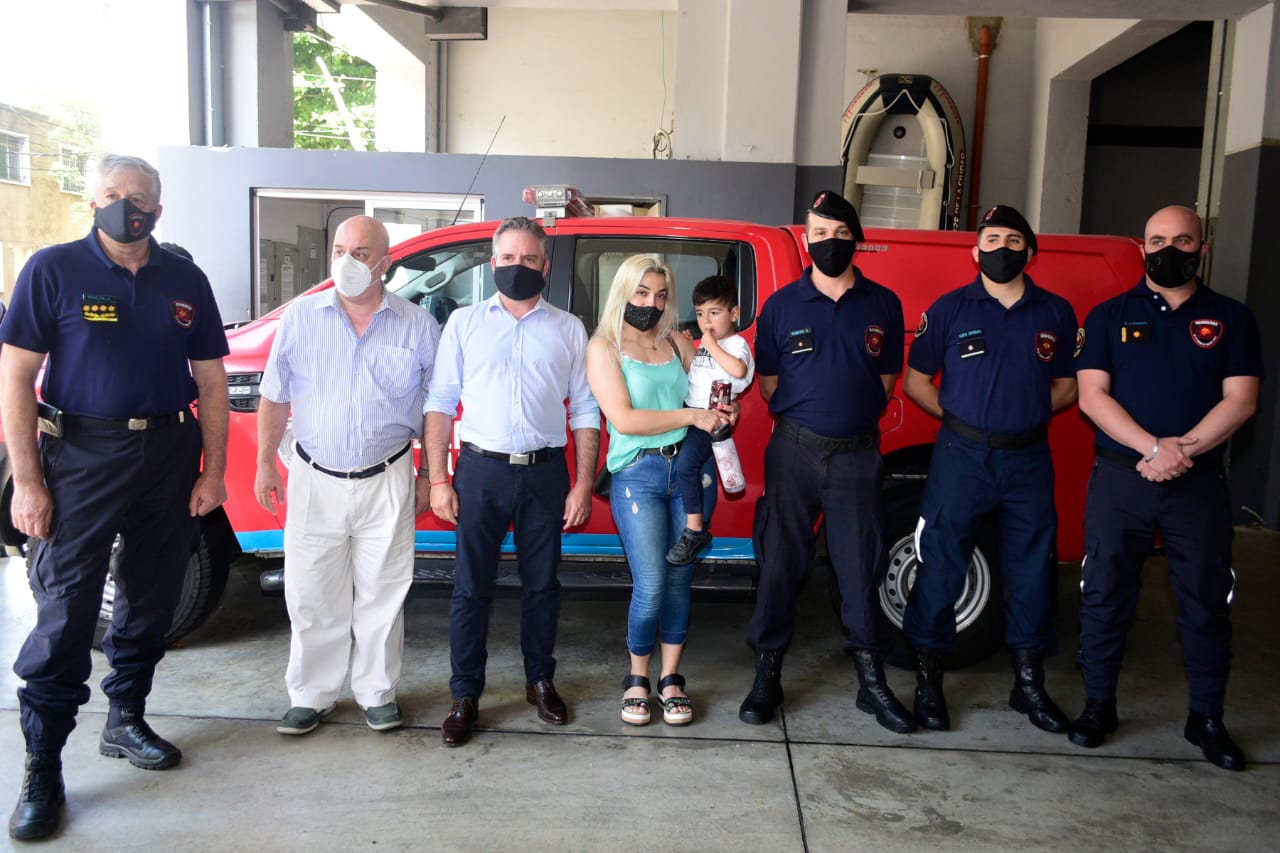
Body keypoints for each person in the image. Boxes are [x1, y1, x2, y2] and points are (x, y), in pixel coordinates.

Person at [1, 154, 229, 841]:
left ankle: (125, 717)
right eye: (111, 195)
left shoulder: (184, 278)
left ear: (158, 210)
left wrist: (211, 472)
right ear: (92, 199)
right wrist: (30, 478)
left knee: (152, 595)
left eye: (138, 198)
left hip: (166, 452)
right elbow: (15, 376)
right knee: (68, 607)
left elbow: (212, 383)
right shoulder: (53, 269)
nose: (124, 206)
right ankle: (43, 764)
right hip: (81, 456)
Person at [1071, 204, 1262, 771]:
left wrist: (1182, 452)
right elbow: (1092, 396)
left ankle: (1206, 717)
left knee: (1206, 602)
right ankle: (1099, 705)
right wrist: (1154, 449)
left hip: (1198, 485)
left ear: (1201, 249)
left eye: (1182, 240)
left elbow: (1241, 400)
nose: (1168, 250)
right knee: (1104, 594)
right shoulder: (1107, 315)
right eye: (1157, 239)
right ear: (1143, 247)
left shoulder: (1232, 318)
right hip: (1121, 481)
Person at [255, 215, 440, 737]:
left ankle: (377, 692)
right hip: (315, 476)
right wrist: (265, 460)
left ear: (385, 262)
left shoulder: (417, 325)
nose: (347, 261)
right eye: (340, 249)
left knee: (384, 591)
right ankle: (311, 696)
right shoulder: (301, 318)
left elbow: (434, 410)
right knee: (312, 592)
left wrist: (431, 472)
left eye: (361, 253)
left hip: (388, 475)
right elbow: (275, 393)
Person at [739, 189, 913, 733]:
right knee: (780, 564)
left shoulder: (884, 303)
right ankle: (768, 674)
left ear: (855, 238)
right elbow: (768, 384)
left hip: (857, 457)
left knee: (860, 566)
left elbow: (886, 380)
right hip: (793, 452)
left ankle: (871, 679)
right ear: (806, 240)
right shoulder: (781, 306)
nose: (829, 243)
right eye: (819, 234)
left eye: (840, 234)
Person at [901, 205, 1078, 734]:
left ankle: (1029, 684)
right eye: (992, 238)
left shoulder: (1056, 312)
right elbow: (915, 381)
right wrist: (963, 421)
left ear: (1031, 250)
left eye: (1014, 240)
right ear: (975, 251)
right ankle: (929, 681)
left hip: (1028, 458)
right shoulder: (950, 309)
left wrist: (1021, 417)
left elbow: (1068, 385)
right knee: (942, 564)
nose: (1002, 248)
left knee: (1031, 569)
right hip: (962, 457)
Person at [424, 216, 599, 747]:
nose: (517, 267)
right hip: (479, 472)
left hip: (547, 474)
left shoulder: (569, 328)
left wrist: (583, 484)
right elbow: (439, 403)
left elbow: (586, 411)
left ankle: (539, 681)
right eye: (507, 258)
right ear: (492, 262)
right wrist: (438, 479)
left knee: (542, 586)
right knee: (470, 589)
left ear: (545, 266)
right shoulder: (464, 324)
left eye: (528, 259)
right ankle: (465, 694)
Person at [586, 256, 731, 727]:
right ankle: (637, 679)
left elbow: (712, 392)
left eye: (661, 294)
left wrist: (723, 412)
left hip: (690, 473)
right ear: (624, 292)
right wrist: (692, 417)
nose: (652, 302)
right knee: (650, 586)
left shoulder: (677, 341)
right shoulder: (605, 347)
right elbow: (624, 420)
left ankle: (671, 680)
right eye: (643, 292)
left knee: (679, 584)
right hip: (639, 476)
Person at [665, 275, 755, 566]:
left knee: (687, 464)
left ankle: (695, 529)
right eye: (701, 313)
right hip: (693, 415)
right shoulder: (707, 342)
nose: (706, 321)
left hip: (712, 419)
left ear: (734, 314)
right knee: (684, 465)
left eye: (714, 313)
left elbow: (739, 370)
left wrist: (711, 345)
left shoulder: (735, 344)